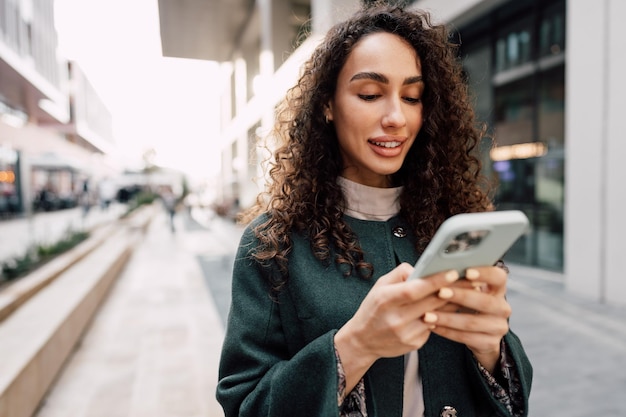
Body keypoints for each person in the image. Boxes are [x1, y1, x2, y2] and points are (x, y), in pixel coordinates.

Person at [216, 3, 532, 417]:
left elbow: (515, 398)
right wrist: (355, 346)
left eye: (413, 96)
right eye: (370, 94)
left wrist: (493, 348)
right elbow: (245, 405)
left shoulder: (453, 224)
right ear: (328, 105)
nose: (397, 117)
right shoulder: (272, 242)